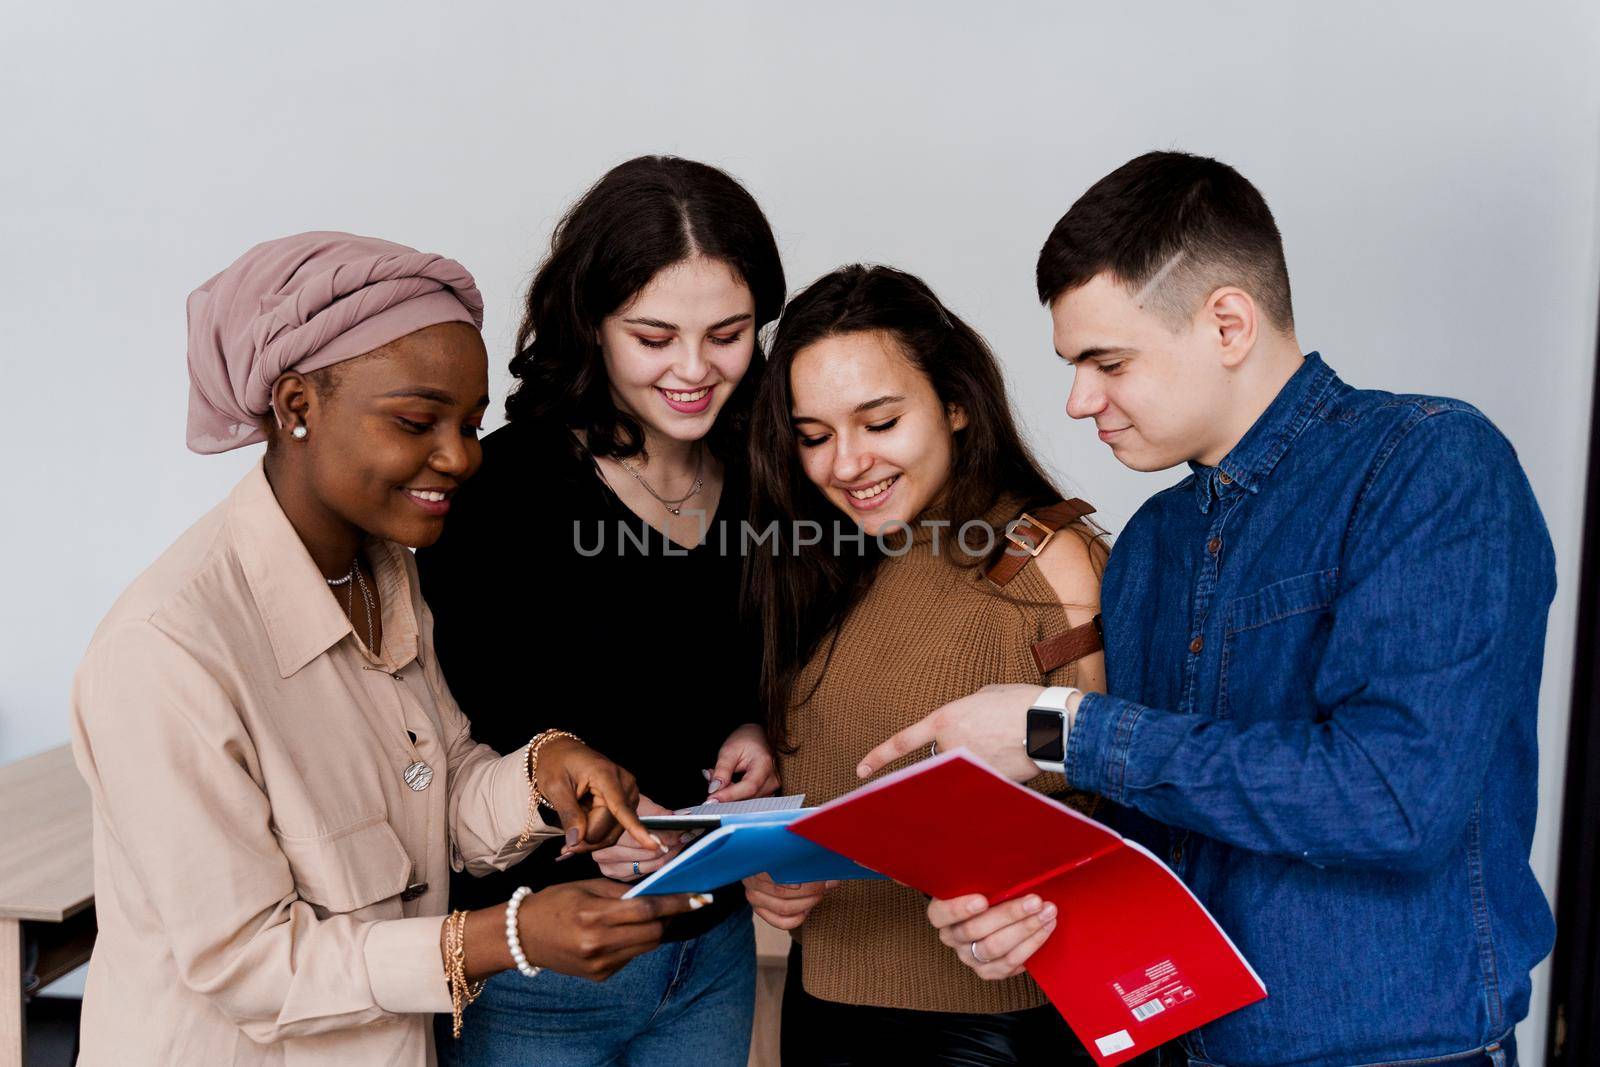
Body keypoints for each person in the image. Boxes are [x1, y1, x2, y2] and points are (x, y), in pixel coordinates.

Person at [860, 152, 1556, 1067]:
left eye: (1107, 361)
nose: (1079, 402)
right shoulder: (1151, 541)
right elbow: (1166, 829)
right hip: (1177, 1046)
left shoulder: (1431, 465)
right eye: (1073, 365)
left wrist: (1058, 727)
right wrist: (1023, 900)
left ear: (1228, 322)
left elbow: (1394, 797)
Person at [70, 232, 705, 1066]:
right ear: (296, 406)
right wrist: (504, 934)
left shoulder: (385, 572)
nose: (460, 457)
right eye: (417, 421)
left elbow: (432, 797)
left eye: (472, 424)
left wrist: (543, 775)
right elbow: (251, 965)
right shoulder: (165, 653)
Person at [415, 156, 787, 1067]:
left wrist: (757, 727)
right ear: (591, 324)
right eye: (654, 336)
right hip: (540, 970)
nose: (695, 370)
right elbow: (443, 740)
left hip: (713, 949)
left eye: (728, 334)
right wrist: (572, 826)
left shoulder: (765, 472)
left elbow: (755, 665)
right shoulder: (501, 490)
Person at [741, 264, 1109, 1065]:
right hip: (821, 1005)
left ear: (956, 403)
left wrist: (1034, 893)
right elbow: (835, 779)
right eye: (813, 436)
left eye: (878, 421)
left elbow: (1122, 794)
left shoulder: (1050, 560)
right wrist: (774, 869)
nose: (845, 463)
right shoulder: (826, 563)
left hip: (988, 1029)